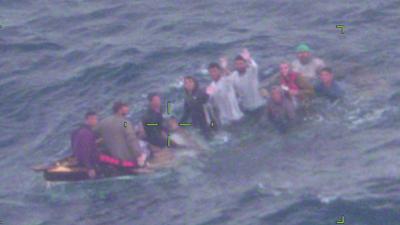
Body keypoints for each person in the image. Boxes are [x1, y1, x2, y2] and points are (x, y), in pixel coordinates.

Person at [230, 49, 266, 114]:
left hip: (259, 106)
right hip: (246, 109)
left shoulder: (251, 72)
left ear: (245, 64)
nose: (239, 66)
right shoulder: (234, 75)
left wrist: (249, 59)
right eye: (237, 64)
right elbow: (227, 83)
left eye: (241, 64)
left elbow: (255, 67)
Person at [71, 111, 99, 178]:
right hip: (87, 162)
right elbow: (85, 150)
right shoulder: (124, 122)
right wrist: (90, 168)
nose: (97, 121)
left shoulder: (78, 130)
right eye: (96, 119)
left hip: (78, 158)